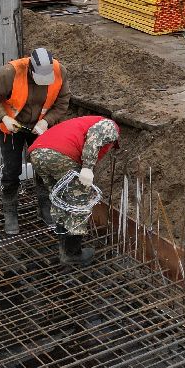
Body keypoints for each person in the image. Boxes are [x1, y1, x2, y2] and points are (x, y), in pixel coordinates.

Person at [0, 47, 70, 235]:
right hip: (13, 127)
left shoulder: (59, 71)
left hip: (40, 127)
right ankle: (10, 212)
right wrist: (4, 117)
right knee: (12, 169)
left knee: (44, 167)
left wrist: (47, 121)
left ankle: (45, 207)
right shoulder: (10, 73)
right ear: (31, 69)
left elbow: (63, 102)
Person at [27, 114, 120, 266]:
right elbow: (95, 137)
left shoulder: (80, 123)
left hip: (37, 153)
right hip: (62, 155)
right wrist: (88, 168)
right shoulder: (110, 126)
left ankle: (63, 247)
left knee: (60, 199)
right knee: (79, 203)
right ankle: (72, 254)